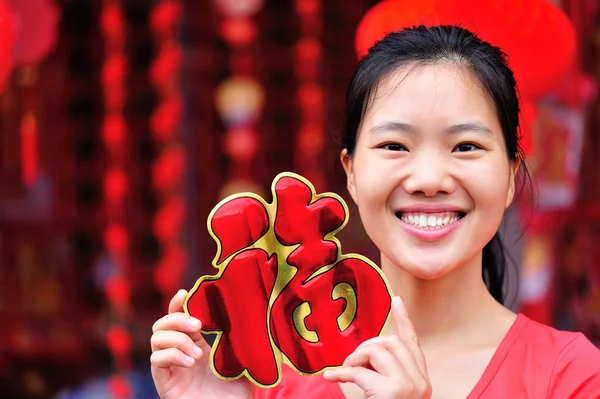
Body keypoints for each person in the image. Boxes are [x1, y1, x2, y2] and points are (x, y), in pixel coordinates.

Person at [150, 25, 600, 398]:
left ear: (509, 175)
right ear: (350, 173)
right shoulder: (292, 383)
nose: (428, 178)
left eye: (466, 146)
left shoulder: (573, 377)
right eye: (394, 146)